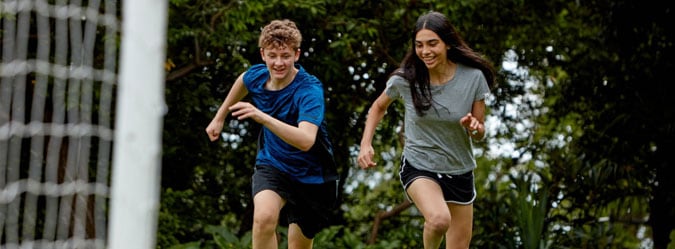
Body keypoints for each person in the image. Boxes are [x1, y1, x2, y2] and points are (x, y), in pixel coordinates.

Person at [357, 11, 495, 249]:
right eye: (419, 45)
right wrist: (365, 143)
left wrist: (475, 127)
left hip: (460, 169)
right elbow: (378, 107)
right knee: (439, 220)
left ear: (448, 43)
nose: (425, 51)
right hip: (420, 165)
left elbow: (479, 132)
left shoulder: (474, 78)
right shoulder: (405, 80)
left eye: (433, 44)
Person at [205, 19, 338, 249]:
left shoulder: (309, 89)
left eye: (285, 56)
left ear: (297, 54)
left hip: (312, 175)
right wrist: (219, 117)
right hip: (273, 164)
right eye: (272, 55)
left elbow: (306, 140)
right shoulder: (257, 76)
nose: (278, 63)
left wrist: (261, 116)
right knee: (263, 218)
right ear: (263, 54)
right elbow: (242, 82)